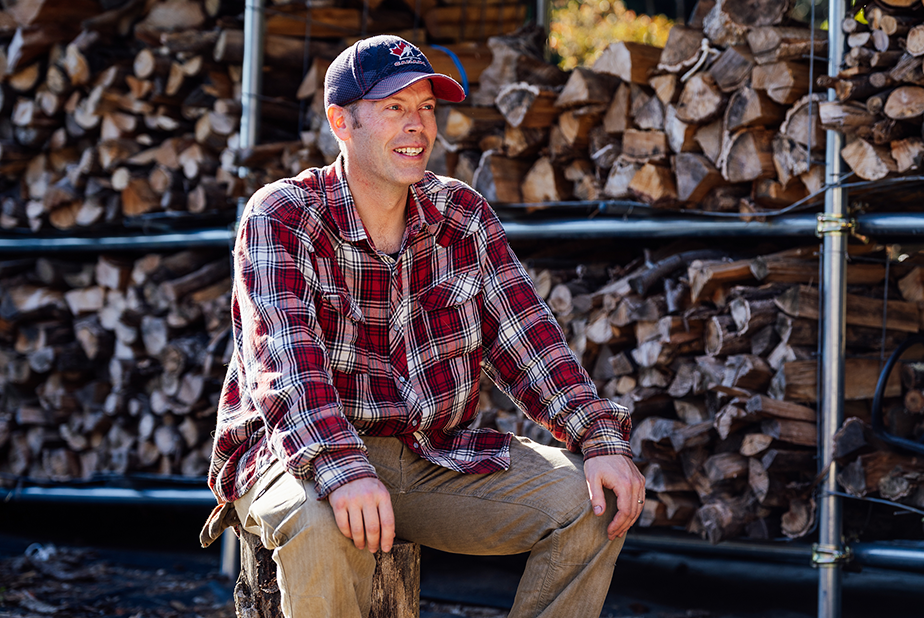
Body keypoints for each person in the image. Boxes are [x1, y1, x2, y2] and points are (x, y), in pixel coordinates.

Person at [199, 34, 645, 618]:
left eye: (426, 108)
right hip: (298, 455)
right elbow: (287, 367)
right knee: (322, 523)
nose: (417, 126)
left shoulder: (462, 214)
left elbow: (529, 339)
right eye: (394, 108)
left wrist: (598, 438)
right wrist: (343, 470)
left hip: (431, 455)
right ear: (341, 121)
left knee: (595, 503)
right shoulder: (282, 214)